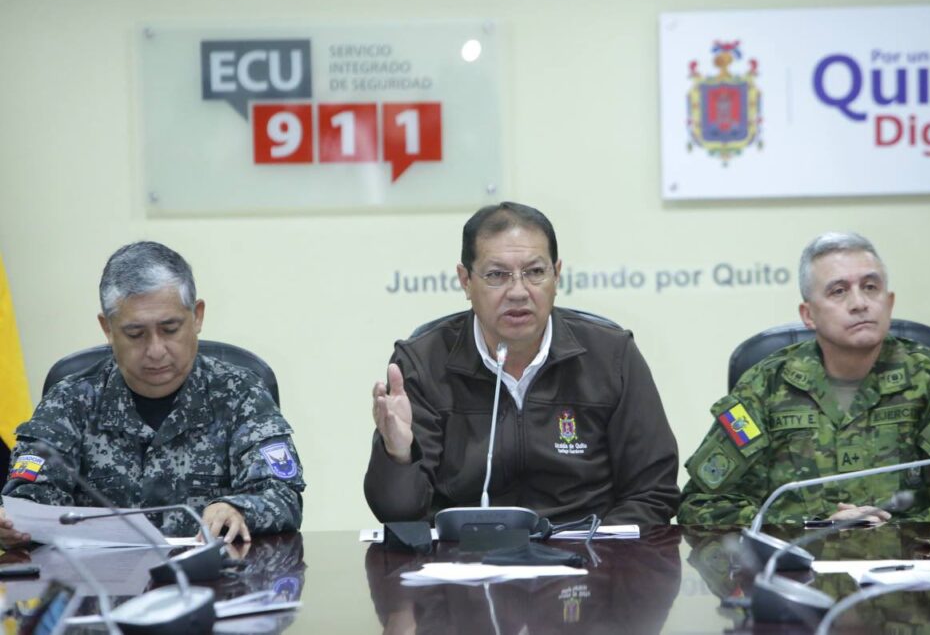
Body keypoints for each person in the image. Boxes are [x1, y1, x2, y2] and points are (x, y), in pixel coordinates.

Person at [678, 232, 930, 532]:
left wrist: (893, 530)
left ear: (889, 303)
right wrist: (815, 525)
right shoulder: (766, 384)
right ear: (808, 315)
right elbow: (701, 507)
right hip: (795, 585)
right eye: (839, 291)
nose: (859, 303)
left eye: (870, 287)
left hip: (908, 589)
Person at [365, 202, 680, 525]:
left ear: (557, 275)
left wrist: (593, 554)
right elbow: (397, 513)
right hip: (462, 560)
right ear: (465, 280)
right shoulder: (423, 362)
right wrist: (398, 455)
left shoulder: (612, 355)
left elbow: (653, 492)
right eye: (497, 275)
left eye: (535, 272)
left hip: (587, 556)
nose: (518, 291)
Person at [0, 241, 304, 546]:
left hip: (219, 584)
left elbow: (282, 494)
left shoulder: (240, 394)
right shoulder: (68, 402)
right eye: (136, 334)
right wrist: (13, 526)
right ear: (107, 329)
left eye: (170, 329)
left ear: (197, 316)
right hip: (101, 587)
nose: (156, 351)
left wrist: (238, 509)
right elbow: (28, 501)